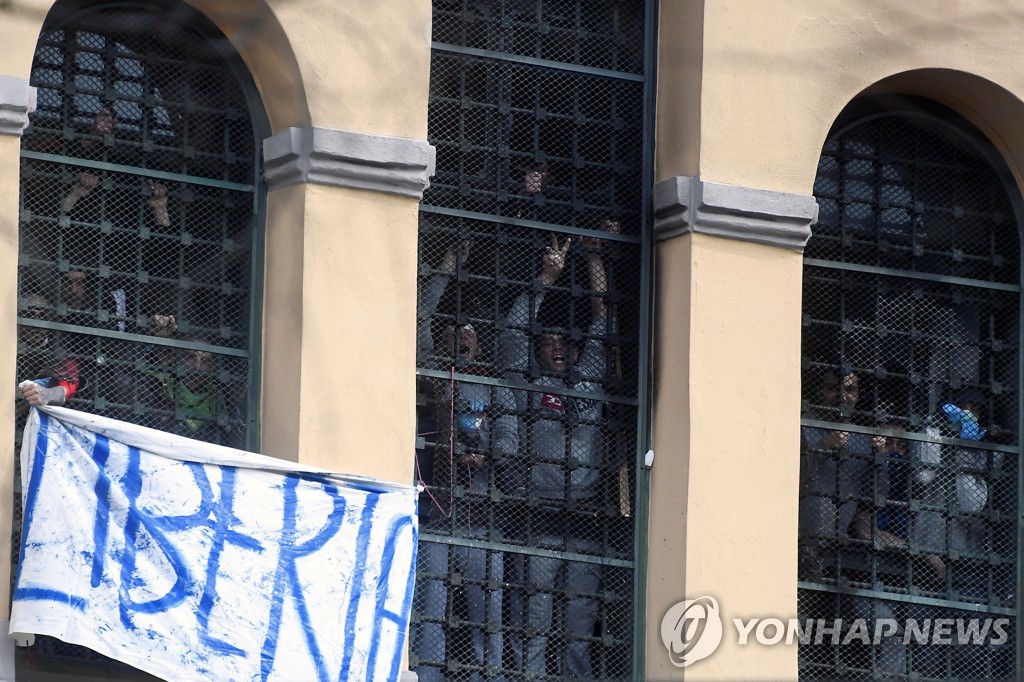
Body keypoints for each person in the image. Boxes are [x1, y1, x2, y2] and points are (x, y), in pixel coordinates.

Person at [499, 220, 617, 679]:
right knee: (532, 625)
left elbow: (605, 322)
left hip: (585, 520)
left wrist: (593, 262)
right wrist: (546, 279)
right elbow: (511, 335)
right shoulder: (528, 384)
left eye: (564, 339)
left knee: (578, 628)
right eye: (547, 340)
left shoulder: (586, 381)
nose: (558, 345)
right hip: (540, 517)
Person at [413, 240, 518, 682]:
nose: (464, 337)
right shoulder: (435, 371)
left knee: (486, 618)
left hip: (482, 521)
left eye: (472, 331)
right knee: (431, 615)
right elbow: (419, 320)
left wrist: (484, 455)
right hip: (438, 516)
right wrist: (446, 267)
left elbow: (511, 444)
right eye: (456, 330)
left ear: (481, 341)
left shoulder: (495, 388)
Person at [16, 293, 83, 409]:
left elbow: (66, 389)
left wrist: (47, 394)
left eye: (42, 317)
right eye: (30, 316)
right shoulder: (8, 347)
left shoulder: (60, 353)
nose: (36, 325)